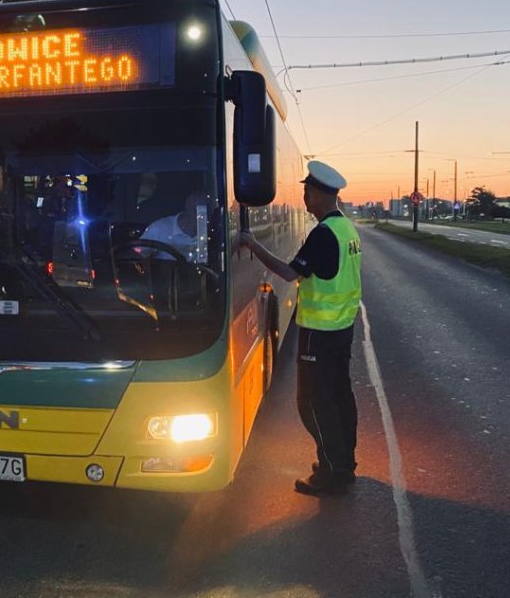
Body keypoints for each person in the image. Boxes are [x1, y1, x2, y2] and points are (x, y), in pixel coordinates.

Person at [237, 160, 362, 496]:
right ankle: (344, 463)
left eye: (308, 192)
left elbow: (290, 273)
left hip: (319, 333)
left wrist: (252, 244)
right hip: (341, 329)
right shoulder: (346, 229)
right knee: (338, 396)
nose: (304, 198)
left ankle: (331, 473)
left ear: (321, 195)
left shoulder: (323, 234)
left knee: (312, 403)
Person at [140, 190, 209, 263]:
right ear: (187, 208)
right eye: (197, 210)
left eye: (206, 211)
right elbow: (137, 256)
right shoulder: (159, 229)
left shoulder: (213, 235)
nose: (201, 215)